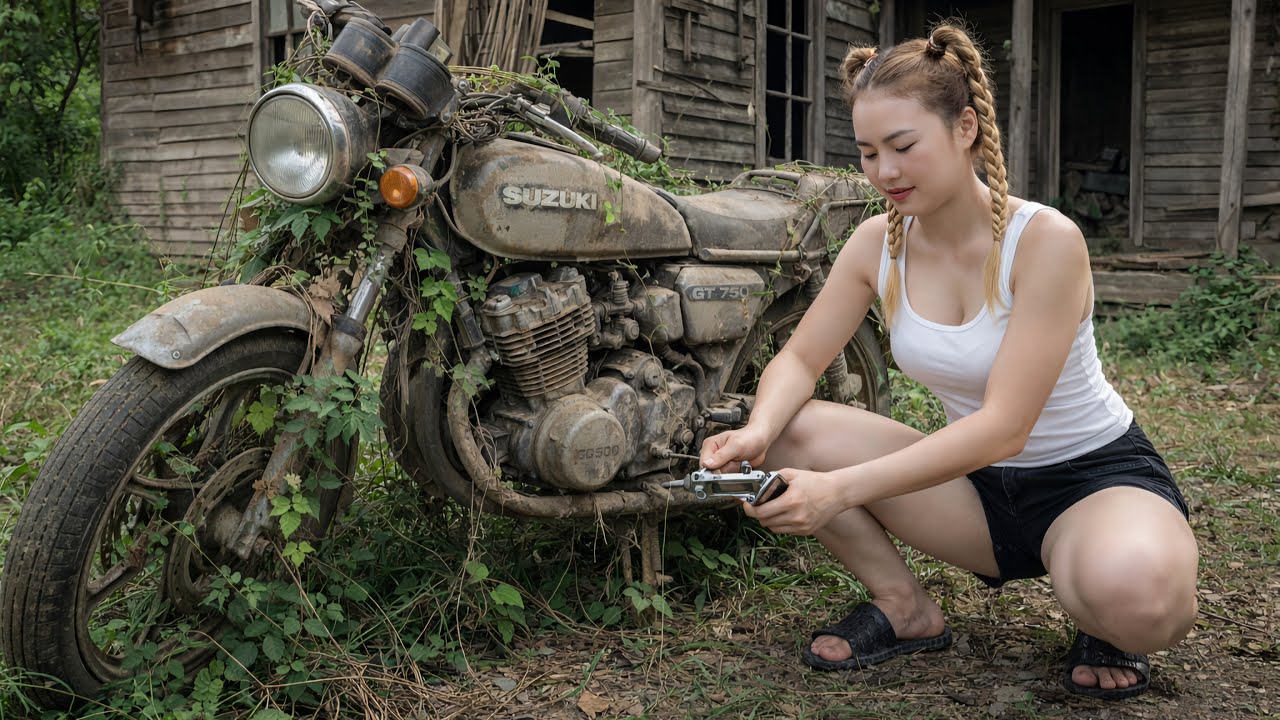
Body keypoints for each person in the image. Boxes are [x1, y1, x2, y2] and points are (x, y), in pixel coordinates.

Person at [698, 22, 1198, 700]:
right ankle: (905, 608)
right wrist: (757, 434)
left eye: (903, 146)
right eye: (869, 153)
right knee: (789, 428)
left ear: (966, 128)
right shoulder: (877, 243)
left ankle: (1104, 611)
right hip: (974, 489)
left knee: (1138, 600)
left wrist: (841, 489)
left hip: (1090, 480)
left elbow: (1005, 428)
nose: (884, 172)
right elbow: (800, 357)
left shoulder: (1045, 240)